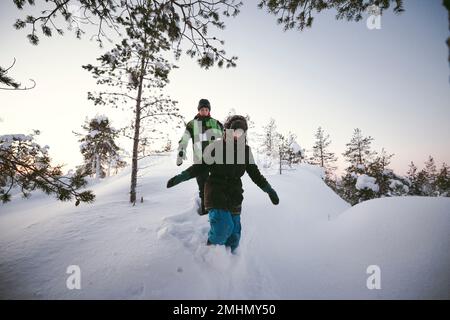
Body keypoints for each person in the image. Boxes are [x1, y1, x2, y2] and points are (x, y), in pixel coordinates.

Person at [167, 115, 279, 253]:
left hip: (234, 193)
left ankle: (229, 264)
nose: (237, 136)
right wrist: (182, 176)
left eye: (240, 133)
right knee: (223, 228)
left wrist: (269, 190)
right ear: (226, 131)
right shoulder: (216, 147)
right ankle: (209, 251)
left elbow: (255, 174)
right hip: (216, 189)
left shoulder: (245, 151)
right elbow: (200, 166)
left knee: (234, 237)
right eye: (234, 132)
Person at [176, 99, 224, 215]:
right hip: (199, 160)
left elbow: (225, 136)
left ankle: (217, 206)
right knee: (202, 184)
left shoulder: (215, 122)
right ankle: (204, 208)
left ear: (209, 110)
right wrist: (181, 151)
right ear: (199, 110)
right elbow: (185, 138)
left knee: (215, 183)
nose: (204, 111)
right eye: (202, 109)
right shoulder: (192, 124)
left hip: (213, 159)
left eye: (206, 109)